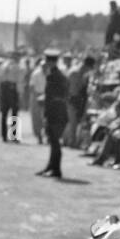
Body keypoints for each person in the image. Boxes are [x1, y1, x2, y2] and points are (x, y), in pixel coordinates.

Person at [37, 49, 69, 179]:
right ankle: (51, 166)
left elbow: (54, 97)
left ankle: (56, 169)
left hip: (55, 113)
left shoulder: (54, 76)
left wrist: (46, 112)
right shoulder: (56, 75)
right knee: (53, 141)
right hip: (56, 112)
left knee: (55, 142)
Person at [0, 51, 25, 142]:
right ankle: (13, 135)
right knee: (14, 113)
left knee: (4, 113)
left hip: (4, 89)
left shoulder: (3, 65)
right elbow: (20, 81)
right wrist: (20, 94)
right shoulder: (19, 67)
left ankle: (4, 135)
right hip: (12, 89)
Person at [27, 55, 47, 144]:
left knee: (46, 117)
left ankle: (46, 135)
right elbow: (31, 86)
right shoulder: (36, 73)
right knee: (37, 117)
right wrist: (36, 97)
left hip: (47, 95)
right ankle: (39, 136)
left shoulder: (50, 73)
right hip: (37, 95)